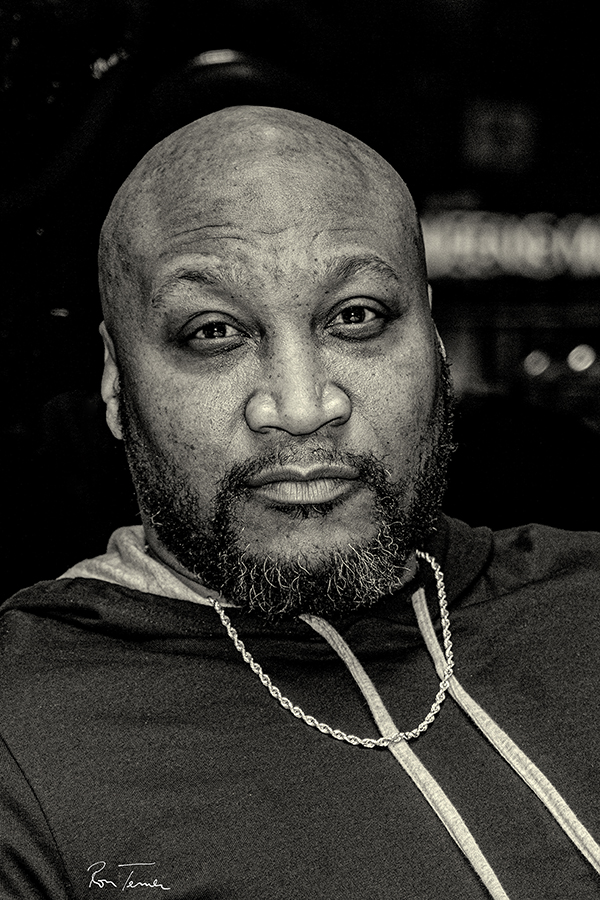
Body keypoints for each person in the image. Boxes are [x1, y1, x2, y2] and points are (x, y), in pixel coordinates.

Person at [0, 106, 598, 899]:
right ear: (117, 381)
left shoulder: (582, 604)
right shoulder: (23, 731)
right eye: (213, 331)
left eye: (356, 317)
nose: (302, 405)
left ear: (434, 342)